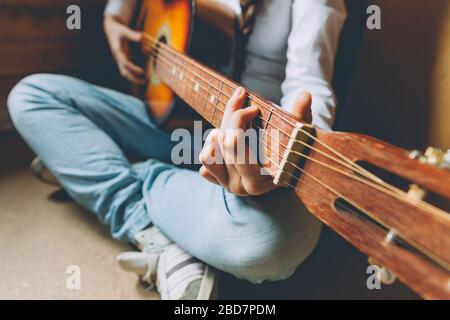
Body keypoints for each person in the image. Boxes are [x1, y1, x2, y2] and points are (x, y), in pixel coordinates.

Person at [7, 0, 347, 299]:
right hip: (161, 119)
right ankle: (150, 228)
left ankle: (114, 167)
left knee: (276, 245)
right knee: (31, 95)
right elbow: (123, 13)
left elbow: (309, 84)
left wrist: (290, 153)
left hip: (242, 152)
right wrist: (114, 22)